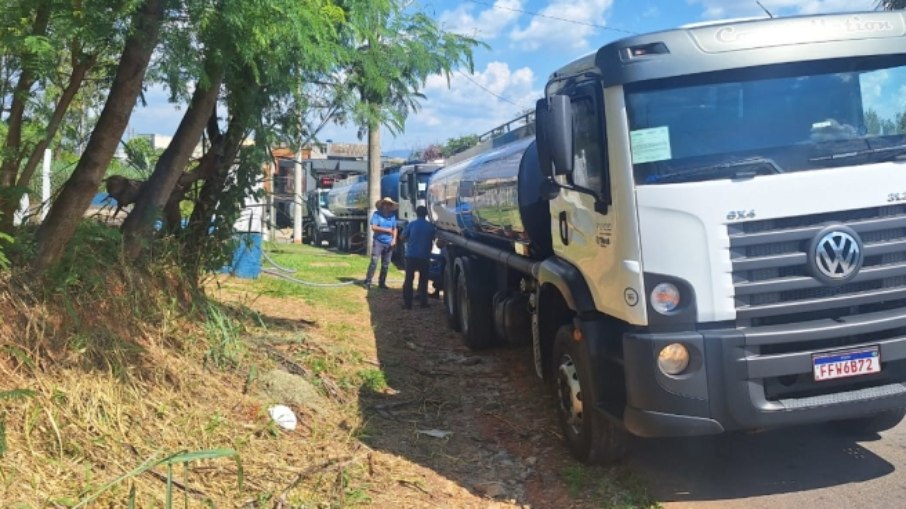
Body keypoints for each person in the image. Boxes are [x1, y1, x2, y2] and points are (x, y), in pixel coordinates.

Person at [400, 205, 436, 309]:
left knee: (409, 280)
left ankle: (408, 304)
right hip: (425, 256)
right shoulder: (430, 226)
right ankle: (423, 303)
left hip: (411, 255)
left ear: (416, 213)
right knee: (424, 281)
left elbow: (402, 237)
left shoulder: (412, 224)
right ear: (426, 214)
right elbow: (436, 239)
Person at [363, 197, 398, 290]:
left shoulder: (392, 216)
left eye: (389, 204)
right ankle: (368, 281)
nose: (387, 206)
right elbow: (374, 227)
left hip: (389, 242)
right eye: (385, 204)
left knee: (386, 264)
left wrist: (394, 239)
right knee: (374, 261)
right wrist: (386, 230)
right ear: (382, 205)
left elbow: (395, 229)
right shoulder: (377, 215)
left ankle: (382, 282)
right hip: (378, 241)